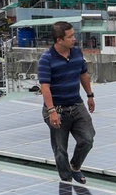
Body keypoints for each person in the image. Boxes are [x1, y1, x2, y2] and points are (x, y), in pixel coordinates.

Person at [38, 21, 96, 183]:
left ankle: (75, 167)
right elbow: (45, 87)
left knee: (87, 139)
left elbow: (83, 74)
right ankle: (66, 180)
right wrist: (52, 112)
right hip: (56, 109)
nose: (74, 39)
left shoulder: (76, 53)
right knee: (60, 149)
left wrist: (90, 95)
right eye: (70, 37)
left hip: (76, 105)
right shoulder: (46, 59)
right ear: (59, 40)